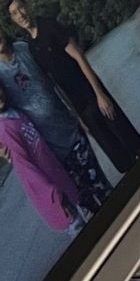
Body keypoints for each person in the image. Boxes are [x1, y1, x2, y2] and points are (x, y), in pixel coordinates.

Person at [6, 0, 140, 172]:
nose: (21, 14)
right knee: (119, 157)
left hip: (92, 92)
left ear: (27, 4)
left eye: (21, 7)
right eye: (15, 13)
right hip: (80, 107)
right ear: (13, 20)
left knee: (131, 141)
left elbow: (78, 56)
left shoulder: (49, 25)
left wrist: (100, 94)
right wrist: (78, 117)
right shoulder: (31, 47)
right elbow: (55, 84)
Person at [2, 24, 111, 209]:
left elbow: (55, 81)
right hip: (50, 153)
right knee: (86, 204)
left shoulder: (24, 48)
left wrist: (78, 116)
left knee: (104, 189)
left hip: (70, 130)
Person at [0, 77, 89, 233]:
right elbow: (25, 169)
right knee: (79, 229)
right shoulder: (5, 130)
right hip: (53, 193)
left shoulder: (16, 114)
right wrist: (52, 194)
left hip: (58, 178)